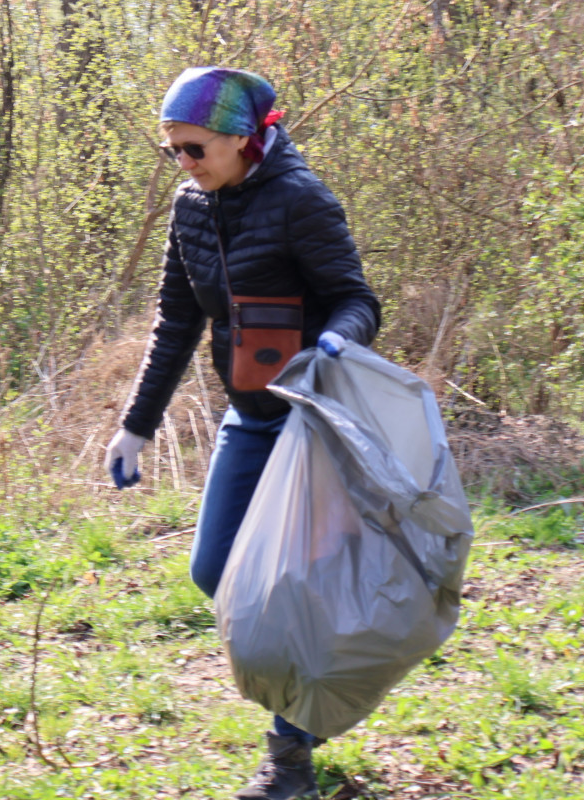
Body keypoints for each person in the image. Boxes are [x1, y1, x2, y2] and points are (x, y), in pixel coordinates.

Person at [104, 66, 380, 800]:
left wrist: (335, 346)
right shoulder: (190, 205)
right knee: (215, 572)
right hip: (250, 417)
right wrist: (137, 427)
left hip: (316, 422)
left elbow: (357, 299)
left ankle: (289, 762)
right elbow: (176, 320)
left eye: (195, 150)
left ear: (242, 139)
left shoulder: (301, 200)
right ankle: (309, 713)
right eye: (173, 153)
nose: (185, 165)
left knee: (293, 590)